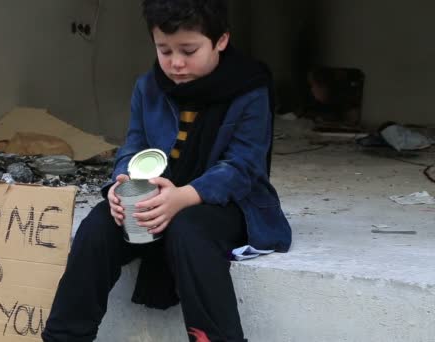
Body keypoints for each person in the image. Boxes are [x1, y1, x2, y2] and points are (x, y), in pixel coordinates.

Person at [42, 0, 292, 341]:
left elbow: (243, 167)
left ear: (221, 41)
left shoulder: (249, 88)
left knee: (188, 231)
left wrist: (184, 197)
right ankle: (64, 337)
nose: (175, 63)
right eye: (164, 49)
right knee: (98, 226)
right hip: (159, 195)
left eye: (189, 50)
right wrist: (119, 186)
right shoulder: (149, 87)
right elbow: (133, 147)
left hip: (230, 203)